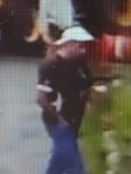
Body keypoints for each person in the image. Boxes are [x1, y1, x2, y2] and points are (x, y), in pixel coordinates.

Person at [37, 25, 95, 174]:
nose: (83, 50)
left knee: (60, 160)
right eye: (79, 46)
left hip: (76, 118)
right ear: (68, 44)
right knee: (73, 163)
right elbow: (42, 99)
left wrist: (90, 104)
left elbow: (87, 84)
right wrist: (58, 120)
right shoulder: (51, 65)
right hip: (60, 121)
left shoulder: (80, 62)